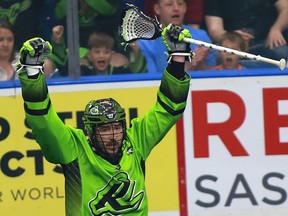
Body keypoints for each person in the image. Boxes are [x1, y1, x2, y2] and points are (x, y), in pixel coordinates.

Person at [16, 24, 192, 215]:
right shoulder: (75, 149)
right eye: (105, 129)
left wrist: (178, 57)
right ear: (90, 132)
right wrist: (33, 73)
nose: (114, 135)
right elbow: (43, 121)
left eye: (117, 127)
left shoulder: (136, 141)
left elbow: (168, 109)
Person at [137, 0, 216, 73]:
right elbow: (150, 81)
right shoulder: (145, 42)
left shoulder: (201, 37)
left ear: (185, 8)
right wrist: (188, 65)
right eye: (169, 4)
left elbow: (213, 75)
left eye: (180, 4)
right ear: (157, 9)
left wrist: (200, 64)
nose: (176, 8)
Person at [204, 0, 288, 68]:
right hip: (232, 45)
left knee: (282, 53)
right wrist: (233, 37)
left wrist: (276, 29)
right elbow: (214, 29)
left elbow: (285, 9)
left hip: (265, 41)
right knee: (216, 57)